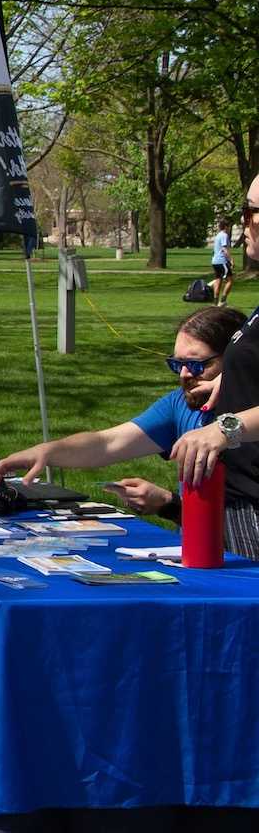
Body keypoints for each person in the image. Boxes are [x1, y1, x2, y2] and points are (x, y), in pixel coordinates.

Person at [0, 306, 243, 515]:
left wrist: (169, 505)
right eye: (177, 364)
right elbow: (108, 443)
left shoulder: (250, 416)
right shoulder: (179, 404)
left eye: (196, 365)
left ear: (234, 360)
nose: (185, 375)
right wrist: (46, 452)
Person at [168, 171, 259, 555]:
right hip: (234, 500)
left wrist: (224, 430)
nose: (245, 223)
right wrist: (230, 378)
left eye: (251, 211)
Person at [212, 217, 235, 306]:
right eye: (229, 226)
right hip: (222, 261)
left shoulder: (218, 235)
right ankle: (223, 301)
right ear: (226, 226)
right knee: (230, 280)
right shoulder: (224, 235)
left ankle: (215, 302)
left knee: (218, 280)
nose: (230, 228)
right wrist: (231, 259)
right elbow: (224, 249)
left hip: (215, 261)